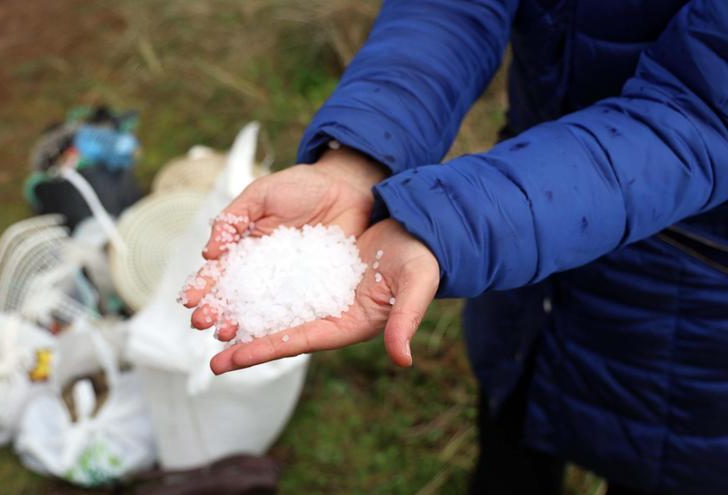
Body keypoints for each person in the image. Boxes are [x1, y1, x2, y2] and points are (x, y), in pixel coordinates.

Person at [184, 1, 728, 493]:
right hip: (521, 256)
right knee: (509, 445)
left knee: (654, 468)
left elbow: (703, 112)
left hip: (689, 306)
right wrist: (358, 156)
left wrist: (449, 221)